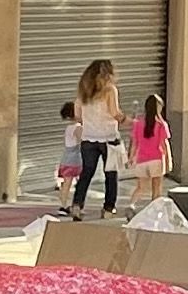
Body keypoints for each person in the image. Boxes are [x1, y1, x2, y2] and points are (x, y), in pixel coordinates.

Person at [69, 58, 125, 215]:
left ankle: (77, 205)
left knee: (86, 173)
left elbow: (77, 116)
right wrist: (128, 120)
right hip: (109, 137)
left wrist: (91, 121)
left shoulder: (83, 91)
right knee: (111, 174)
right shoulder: (110, 90)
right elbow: (115, 113)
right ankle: (108, 208)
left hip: (88, 138)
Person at [125, 90, 173, 209]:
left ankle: (131, 205)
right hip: (156, 159)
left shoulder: (138, 124)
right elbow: (164, 145)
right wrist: (168, 161)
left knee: (140, 187)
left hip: (142, 160)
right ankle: (154, 210)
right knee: (156, 188)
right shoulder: (161, 125)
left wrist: (131, 158)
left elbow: (135, 144)